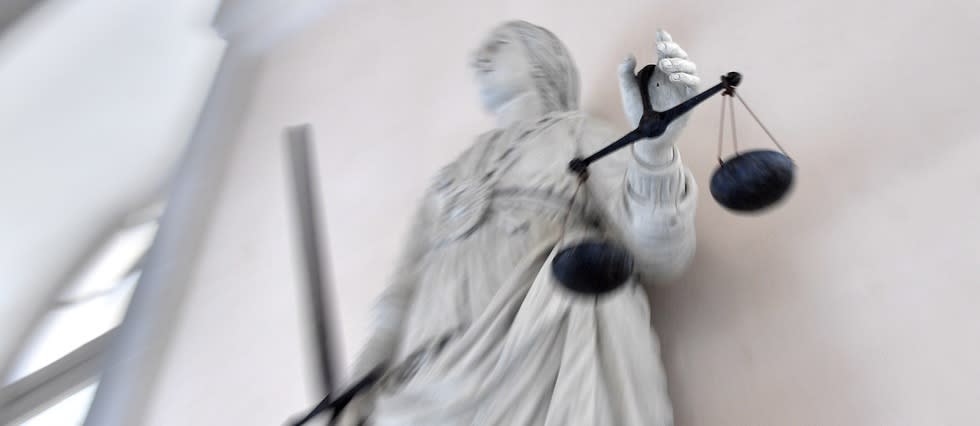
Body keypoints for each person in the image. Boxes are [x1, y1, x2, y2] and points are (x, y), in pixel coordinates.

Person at [343, 20, 700, 425]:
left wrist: (654, 152)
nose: (478, 59)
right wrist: (359, 381)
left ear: (539, 60)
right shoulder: (450, 175)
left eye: (498, 44)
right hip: (427, 375)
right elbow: (400, 292)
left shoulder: (575, 133)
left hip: (543, 344)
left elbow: (658, 256)